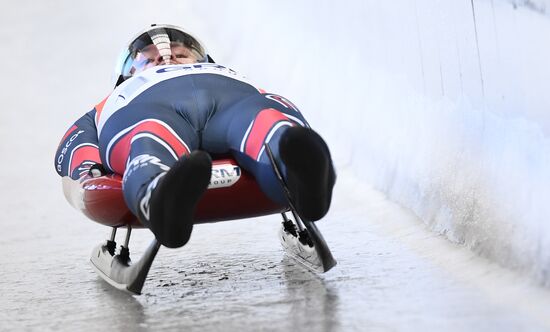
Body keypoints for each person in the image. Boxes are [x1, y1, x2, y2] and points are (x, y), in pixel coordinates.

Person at [54, 24, 336, 249]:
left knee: (266, 122)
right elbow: (76, 137)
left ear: (202, 59)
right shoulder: (115, 99)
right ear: (126, 75)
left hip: (233, 102)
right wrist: (87, 170)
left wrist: (296, 137)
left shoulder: (226, 73)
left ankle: (304, 185)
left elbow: (274, 103)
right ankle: (160, 200)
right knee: (149, 135)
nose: (166, 58)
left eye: (178, 53)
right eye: (150, 59)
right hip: (148, 111)